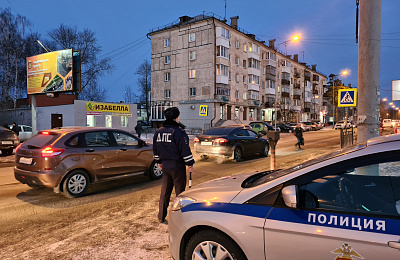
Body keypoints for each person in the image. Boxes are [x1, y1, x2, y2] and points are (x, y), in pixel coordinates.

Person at [153, 107, 195, 223]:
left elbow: (155, 149)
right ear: (176, 118)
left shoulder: (159, 132)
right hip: (177, 166)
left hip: (165, 166)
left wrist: (159, 162)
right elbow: (185, 150)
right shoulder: (178, 132)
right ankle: (180, 218)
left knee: (165, 191)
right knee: (180, 193)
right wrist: (190, 164)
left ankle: (161, 216)